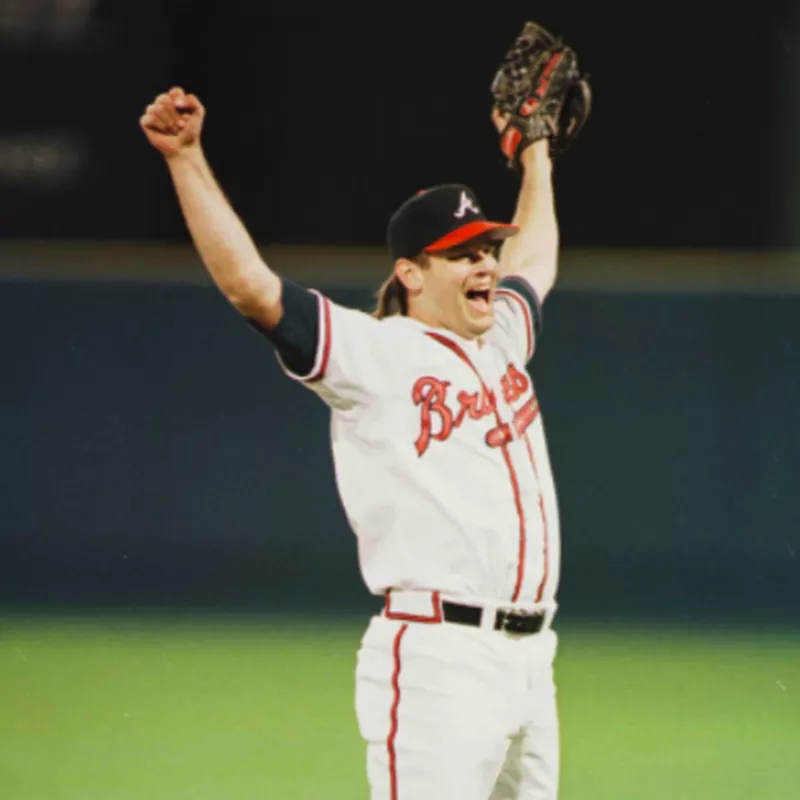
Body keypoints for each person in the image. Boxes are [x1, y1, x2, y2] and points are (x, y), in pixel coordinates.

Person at [140, 82, 563, 800]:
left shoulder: (503, 341)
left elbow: (537, 266)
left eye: (488, 248)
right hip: (439, 660)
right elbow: (253, 289)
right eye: (463, 254)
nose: (486, 264)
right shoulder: (376, 353)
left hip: (531, 661)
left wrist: (538, 157)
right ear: (411, 273)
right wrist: (186, 159)